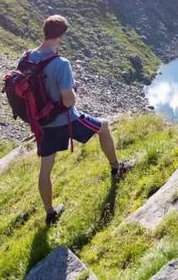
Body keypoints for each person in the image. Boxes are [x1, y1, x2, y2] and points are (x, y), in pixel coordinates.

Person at [27, 14, 134, 225]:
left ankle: (50, 213)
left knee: (45, 168)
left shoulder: (29, 57)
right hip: (65, 120)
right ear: (61, 36)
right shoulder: (60, 63)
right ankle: (116, 168)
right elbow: (67, 101)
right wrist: (74, 91)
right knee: (103, 126)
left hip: (42, 123)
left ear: (45, 31)